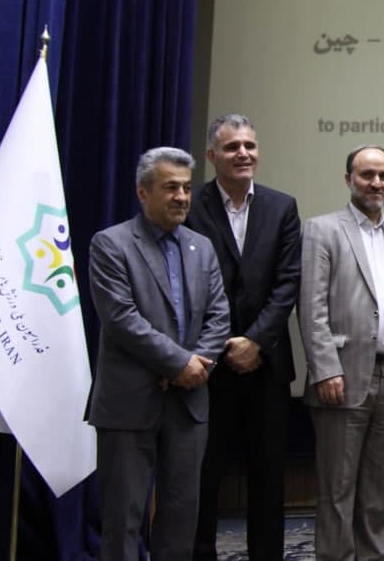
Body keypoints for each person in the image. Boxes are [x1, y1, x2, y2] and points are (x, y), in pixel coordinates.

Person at [87, 147, 231, 561]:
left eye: (186, 188)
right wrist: (178, 362)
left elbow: (219, 316)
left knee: (180, 518)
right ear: (142, 192)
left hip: (188, 402)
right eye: (170, 188)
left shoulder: (201, 247)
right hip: (129, 403)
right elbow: (121, 318)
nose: (182, 197)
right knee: (123, 520)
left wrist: (195, 366)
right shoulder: (111, 244)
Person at [298, 145, 384, 561]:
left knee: (377, 489)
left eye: (383, 176)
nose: (376, 183)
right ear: (348, 180)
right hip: (342, 376)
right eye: (367, 175)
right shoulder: (321, 230)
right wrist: (325, 369)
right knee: (337, 490)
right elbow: (311, 307)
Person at [186, 114, 301, 561]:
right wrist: (220, 345)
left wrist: (255, 341)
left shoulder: (281, 206)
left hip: (266, 364)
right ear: (211, 155)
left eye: (249, 145)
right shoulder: (190, 205)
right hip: (205, 365)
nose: (243, 154)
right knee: (203, 474)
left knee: (268, 477)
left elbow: (288, 282)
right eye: (232, 147)